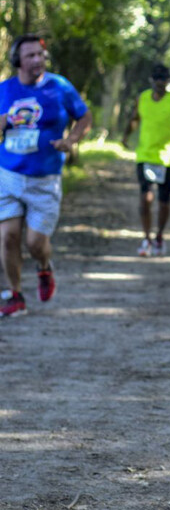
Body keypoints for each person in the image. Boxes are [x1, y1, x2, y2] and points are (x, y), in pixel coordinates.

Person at [0, 34, 92, 318]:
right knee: (8, 236)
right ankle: (15, 295)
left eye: (40, 55)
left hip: (45, 178)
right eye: (30, 56)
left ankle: (43, 267)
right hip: (9, 174)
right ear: (17, 60)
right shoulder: (5, 90)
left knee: (35, 243)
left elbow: (84, 116)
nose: (37, 60)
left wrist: (72, 140)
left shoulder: (59, 86)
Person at [122, 64, 170, 257]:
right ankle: (146, 239)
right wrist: (125, 136)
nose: (160, 83)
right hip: (146, 156)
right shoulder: (143, 98)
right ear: (152, 80)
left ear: (168, 81)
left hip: (169, 159)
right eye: (157, 79)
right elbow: (134, 119)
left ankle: (159, 236)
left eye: (164, 80)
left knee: (164, 202)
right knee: (145, 198)